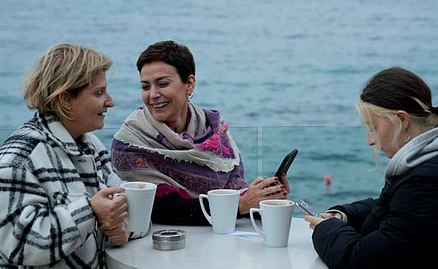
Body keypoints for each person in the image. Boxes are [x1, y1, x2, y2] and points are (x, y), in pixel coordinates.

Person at [304, 67, 438, 269]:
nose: (370, 141)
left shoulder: (429, 179)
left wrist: (326, 229)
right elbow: (394, 209)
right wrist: (343, 216)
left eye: (373, 128)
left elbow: (359, 262)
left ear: (402, 120)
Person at [111, 40, 290, 225]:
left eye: (162, 84)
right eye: (145, 87)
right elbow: (157, 209)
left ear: (189, 84)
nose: (153, 95)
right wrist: (239, 206)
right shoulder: (130, 142)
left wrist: (263, 199)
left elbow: (236, 194)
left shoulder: (213, 130)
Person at [0, 43, 130, 268]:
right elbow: (19, 246)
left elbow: (117, 206)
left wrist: (120, 228)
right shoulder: (19, 160)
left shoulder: (92, 145)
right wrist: (91, 212)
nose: (110, 101)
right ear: (66, 100)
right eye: (99, 93)